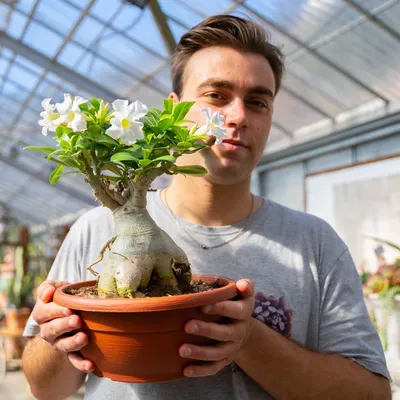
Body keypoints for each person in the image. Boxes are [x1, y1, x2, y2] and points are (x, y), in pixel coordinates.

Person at [22, 15, 391, 400]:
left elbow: (372, 394)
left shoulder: (315, 243)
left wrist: (248, 340)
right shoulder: (95, 228)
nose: (237, 117)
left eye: (258, 102)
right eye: (216, 95)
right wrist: (55, 339)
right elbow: (44, 389)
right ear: (174, 111)